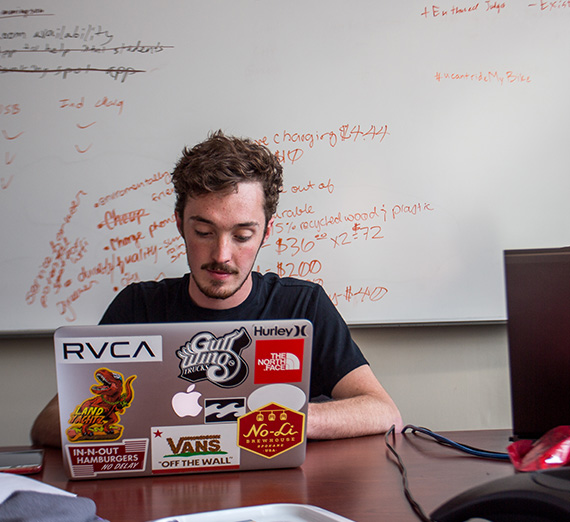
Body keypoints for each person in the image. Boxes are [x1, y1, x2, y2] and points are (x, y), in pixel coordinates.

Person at [31, 130, 402, 447]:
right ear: (179, 224)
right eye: (204, 232)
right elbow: (46, 424)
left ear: (266, 232)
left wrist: (283, 422)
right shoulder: (138, 308)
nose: (222, 255)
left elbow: (383, 411)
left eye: (242, 235)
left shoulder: (302, 304)